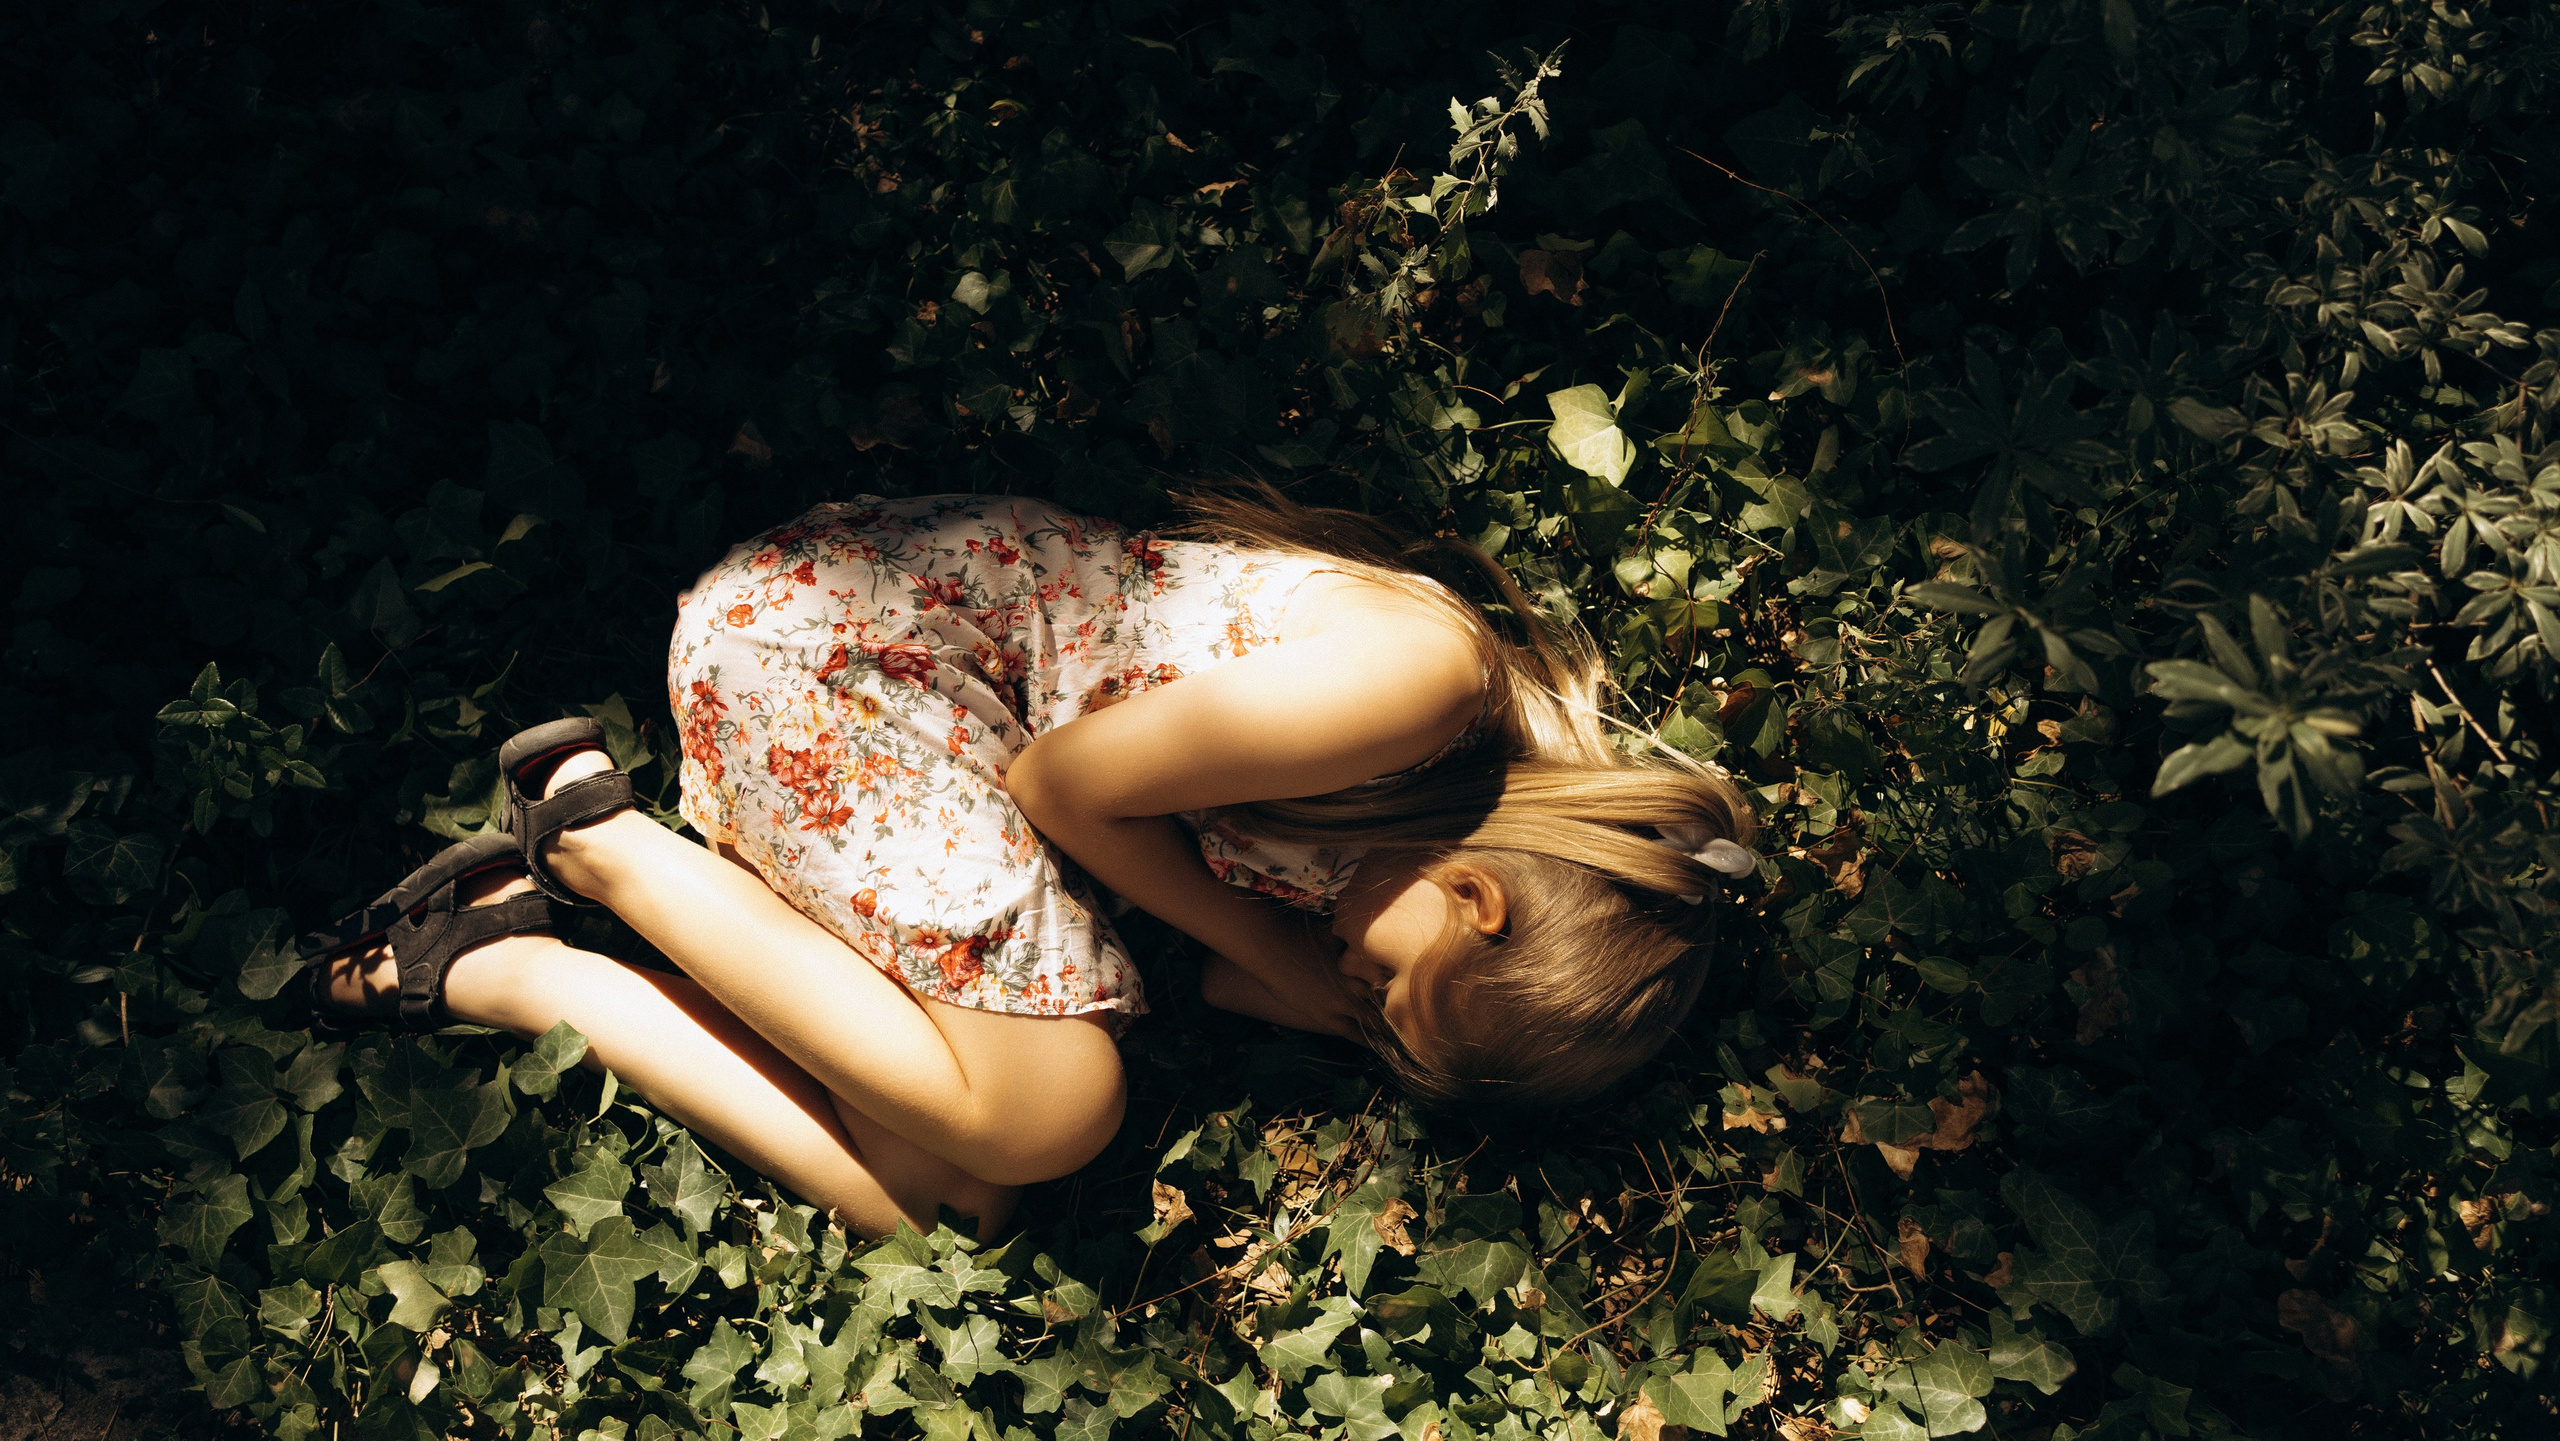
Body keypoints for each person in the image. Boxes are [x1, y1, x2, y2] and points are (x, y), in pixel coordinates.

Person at [295, 488, 1759, 1237]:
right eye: (1387, 985)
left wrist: (1348, 995)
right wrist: (1282, 956)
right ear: (1477, 896)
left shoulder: (1404, 867)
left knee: (945, 1203)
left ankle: (511, 966)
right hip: (850, 656)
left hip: (933, 751)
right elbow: (1062, 784)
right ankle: (600, 840)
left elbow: (1231, 978)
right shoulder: (1420, 687)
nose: (1349, 991)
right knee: (1056, 1109)